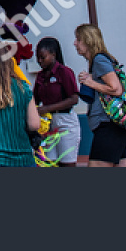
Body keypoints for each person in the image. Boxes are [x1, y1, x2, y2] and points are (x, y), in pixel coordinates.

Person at [75, 23, 126, 167]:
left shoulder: (99, 60)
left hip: (108, 126)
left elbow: (116, 89)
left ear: (88, 41)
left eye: (78, 39)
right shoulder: (105, 59)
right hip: (117, 126)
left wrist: (90, 82)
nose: (75, 43)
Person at [32, 37, 81, 167]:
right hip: (48, 123)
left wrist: (47, 108)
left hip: (65, 121)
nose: (39, 61)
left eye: (43, 57)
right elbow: (35, 99)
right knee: (49, 163)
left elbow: (74, 99)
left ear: (53, 55)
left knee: (67, 163)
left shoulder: (64, 72)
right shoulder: (40, 76)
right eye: (38, 58)